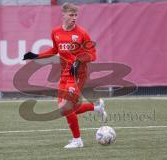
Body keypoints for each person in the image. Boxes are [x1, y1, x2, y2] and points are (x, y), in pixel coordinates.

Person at [23, 2, 107, 149]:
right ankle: (97, 107)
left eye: (76, 15)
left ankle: (78, 140)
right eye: (71, 14)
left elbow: (93, 55)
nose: (74, 18)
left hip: (78, 74)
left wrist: (79, 61)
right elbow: (54, 50)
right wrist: (36, 55)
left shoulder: (82, 33)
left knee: (66, 107)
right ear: (64, 15)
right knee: (65, 109)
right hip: (65, 74)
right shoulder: (55, 32)